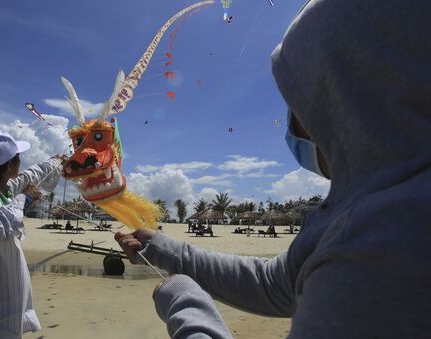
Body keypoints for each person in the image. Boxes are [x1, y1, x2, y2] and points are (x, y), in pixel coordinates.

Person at [116, 0, 431, 337]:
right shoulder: (365, 207)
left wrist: (186, 304)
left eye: (298, 102)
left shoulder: (379, 248)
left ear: (340, 102)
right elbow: (276, 284)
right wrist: (163, 248)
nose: (292, 126)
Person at [0, 130, 65, 339]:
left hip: (7, 306)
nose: (20, 163)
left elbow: (32, 175)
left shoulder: (2, 187)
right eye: (18, 159)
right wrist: (24, 200)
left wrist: (56, 162)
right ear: (9, 166)